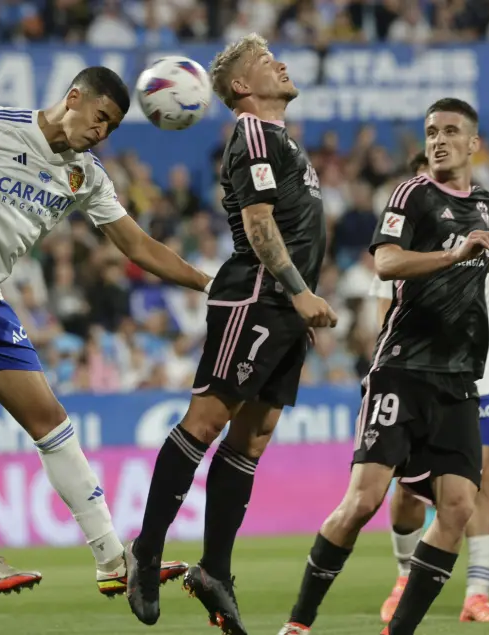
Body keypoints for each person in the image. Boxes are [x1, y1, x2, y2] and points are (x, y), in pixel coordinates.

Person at [0, 67, 208, 602]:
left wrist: (208, 284)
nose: (101, 132)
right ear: (73, 98)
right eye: (99, 117)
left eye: (113, 127)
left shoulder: (86, 175)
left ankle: (112, 557)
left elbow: (140, 247)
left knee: (51, 421)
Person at [276, 98, 489, 635]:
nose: (438, 140)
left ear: (473, 144)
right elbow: (388, 261)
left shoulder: (487, 203)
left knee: (458, 506)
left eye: (450, 131)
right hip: (403, 369)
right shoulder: (411, 194)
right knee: (363, 501)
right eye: (430, 132)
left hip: (459, 379)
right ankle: (298, 625)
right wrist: (453, 253)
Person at [124, 34, 337, 635]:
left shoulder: (282, 140)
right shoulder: (252, 133)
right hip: (257, 297)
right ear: (243, 86)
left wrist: (299, 302)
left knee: (254, 437)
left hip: (285, 310)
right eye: (269, 62)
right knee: (207, 420)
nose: (284, 63)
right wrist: (297, 290)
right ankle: (146, 551)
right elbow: (259, 223)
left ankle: (215, 569)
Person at [369, 153, 489, 624]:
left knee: (484, 478)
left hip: (479, 377)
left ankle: (477, 594)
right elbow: (381, 311)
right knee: (409, 491)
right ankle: (405, 576)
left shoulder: (482, 221)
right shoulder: (402, 239)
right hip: (413, 374)